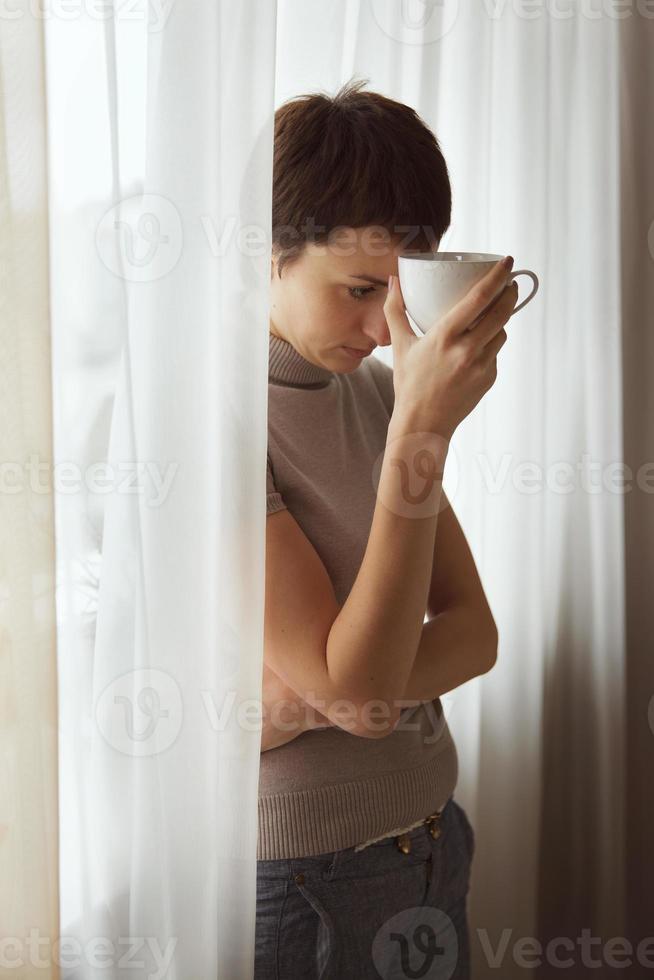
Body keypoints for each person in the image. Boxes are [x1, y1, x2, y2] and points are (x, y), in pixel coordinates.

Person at [256, 77, 519, 980]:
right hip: (306, 877)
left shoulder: (376, 393)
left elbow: (476, 634)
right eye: (359, 288)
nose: (383, 328)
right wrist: (423, 433)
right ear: (269, 251)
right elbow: (363, 696)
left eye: (399, 293)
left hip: (434, 833)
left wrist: (306, 698)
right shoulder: (210, 426)